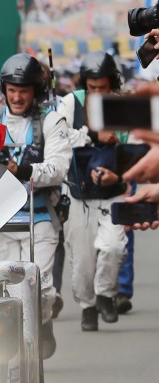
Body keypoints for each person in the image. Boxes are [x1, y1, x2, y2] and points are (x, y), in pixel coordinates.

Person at [0, 53, 70, 356]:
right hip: (1, 220)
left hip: (42, 215)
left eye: (24, 90)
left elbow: (59, 168)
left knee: (42, 291)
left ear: (36, 90)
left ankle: (44, 321)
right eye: (12, 90)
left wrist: (20, 171)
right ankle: (19, 351)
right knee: (10, 291)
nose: (17, 97)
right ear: (4, 89)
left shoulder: (52, 119)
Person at [57, 51, 128, 331]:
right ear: (85, 84)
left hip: (114, 190)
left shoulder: (122, 104)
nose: (97, 93)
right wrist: (93, 135)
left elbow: (135, 144)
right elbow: (59, 138)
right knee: (82, 260)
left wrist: (121, 172)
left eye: (103, 87)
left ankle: (105, 294)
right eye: (92, 87)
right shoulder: (69, 103)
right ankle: (87, 307)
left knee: (113, 247)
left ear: (113, 84)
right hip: (79, 193)